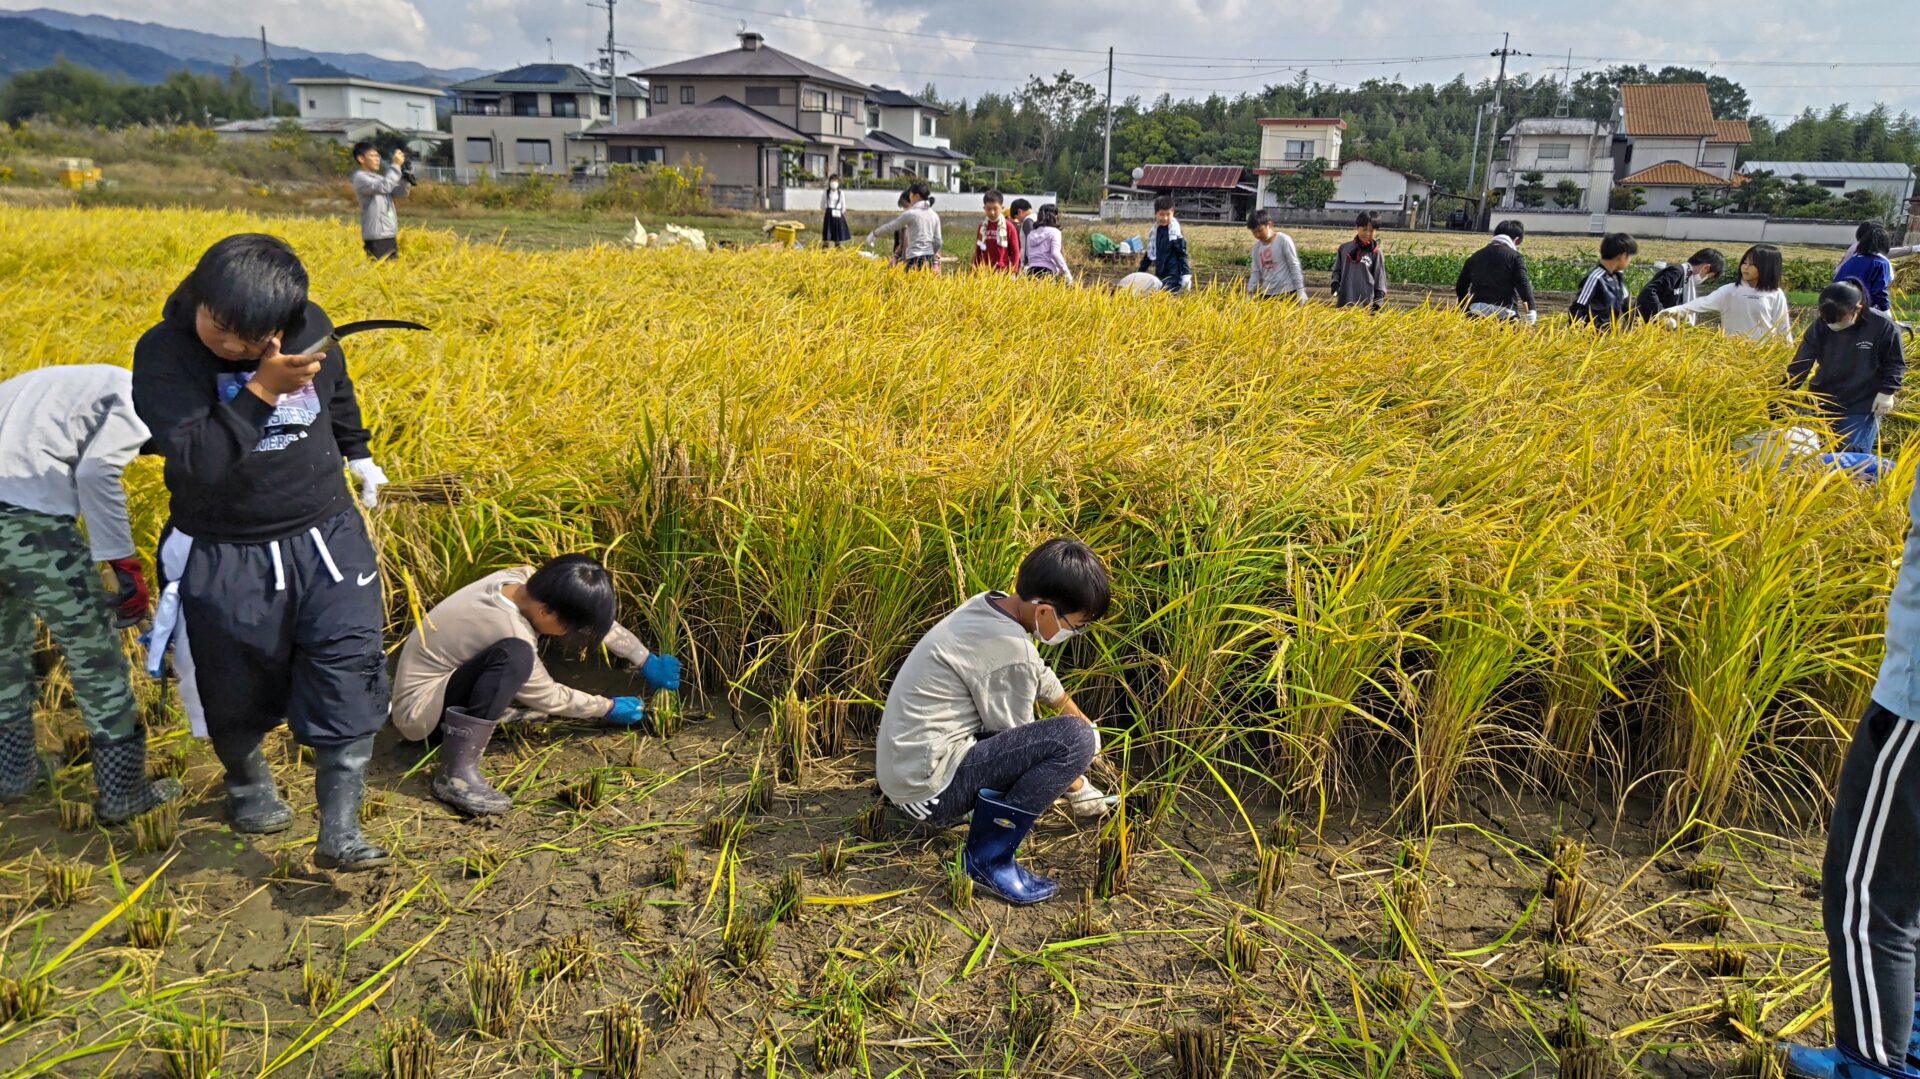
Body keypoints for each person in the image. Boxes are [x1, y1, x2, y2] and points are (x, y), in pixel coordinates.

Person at [132, 234, 394, 872]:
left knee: (349, 658)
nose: (233, 346)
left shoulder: (311, 328)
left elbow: (334, 391)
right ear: (200, 297)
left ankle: (340, 829)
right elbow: (196, 463)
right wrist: (262, 388)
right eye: (221, 329)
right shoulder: (164, 354)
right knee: (233, 674)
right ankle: (247, 781)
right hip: (225, 547)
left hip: (325, 533)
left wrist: (357, 452)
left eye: (253, 339)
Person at [1784, 400, 1920, 1079]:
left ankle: (1871, 1063)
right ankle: (1911, 1034)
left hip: (1916, 707)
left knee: (1867, 890)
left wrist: (1827, 462)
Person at [876, 538, 1112, 905]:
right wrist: (1079, 784)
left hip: (906, 770)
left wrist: (1076, 712)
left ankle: (985, 842)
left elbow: (1038, 674)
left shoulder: (992, 604)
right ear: (1046, 612)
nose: (1076, 633)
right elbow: (1019, 740)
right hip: (928, 791)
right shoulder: (1009, 651)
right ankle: (987, 860)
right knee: (1074, 740)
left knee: (1078, 730)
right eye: (1076, 625)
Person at [0, 366, 183, 823]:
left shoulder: (45, 386)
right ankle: (123, 793)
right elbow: (99, 470)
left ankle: (12, 774)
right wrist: (123, 563)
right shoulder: (138, 392)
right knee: (95, 658)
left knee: (4, 650)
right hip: (30, 525)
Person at [389, 555, 682, 815]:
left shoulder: (525, 580)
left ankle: (481, 722)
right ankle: (456, 775)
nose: (570, 632)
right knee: (514, 657)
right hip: (420, 714)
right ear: (545, 613)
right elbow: (548, 696)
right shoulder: (509, 627)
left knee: (515, 655)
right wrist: (606, 707)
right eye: (568, 626)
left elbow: (588, 615)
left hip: (443, 688)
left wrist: (643, 658)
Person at [1786, 279, 1906, 456]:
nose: (1831, 325)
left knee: (1850, 459)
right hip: (1822, 400)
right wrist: (1783, 392)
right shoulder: (1821, 325)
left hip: (1861, 403)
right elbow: (1801, 363)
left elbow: (1895, 361)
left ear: (1857, 309)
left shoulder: (1881, 326)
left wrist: (1887, 392)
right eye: (1827, 320)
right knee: (1817, 456)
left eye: (1837, 320)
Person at [1660, 244, 1793, 342]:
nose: (1745, 267)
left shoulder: (1775, 294)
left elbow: (1783, 328)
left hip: (1763, 356)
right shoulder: (1730, 290)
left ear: (1767, 268)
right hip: (1731, 353)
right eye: (1744, 262)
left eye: (1752, 264)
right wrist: (1673, 310)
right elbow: (1701, 303)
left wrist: (1787, 356)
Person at [1455, 220, 1537, 323]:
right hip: (1505, 313)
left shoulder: (1475, 256)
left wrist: (1466, 309)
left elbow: (1460, 286)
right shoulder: (1515, 257)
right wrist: (1531, 309)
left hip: (1476, 311)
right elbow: (1522, 283)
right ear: (1516, 240)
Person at [350, 140, 411, 262]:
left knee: (391, 274)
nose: (377, 159)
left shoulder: (378, 178)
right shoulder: (360, 178)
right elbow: (384, 187)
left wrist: (406, 177)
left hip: (388, 233)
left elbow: (399, 193)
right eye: (372, 156)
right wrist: (395, 166)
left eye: (378, 156)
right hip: (377, 236)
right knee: (381, 274)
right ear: (361, 159)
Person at [864, 182, 941, 272]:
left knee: (910, 284)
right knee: (927, 284)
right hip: (928, 260)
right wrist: (932, 256)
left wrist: (874, 234)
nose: (910, 197)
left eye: (911, 195)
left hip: (914, 259)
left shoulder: (911, 214)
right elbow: (938, 242)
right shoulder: (934, 215)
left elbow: (890, 226)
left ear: (916, 196)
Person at [1569, 233, 1638, 330]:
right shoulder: (1595, 278)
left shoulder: (1617, 280)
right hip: (1591, 340)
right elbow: (1577, 308)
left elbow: (1629, 308)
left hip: (1607, 339)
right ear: (1622, 255)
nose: (1630, 260)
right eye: (1630, 256)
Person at [1636, 248, 1725, 323]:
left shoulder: (1687, 279)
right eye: (1708, 277)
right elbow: (1648, 292)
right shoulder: (1676, 273)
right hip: (1647, 325)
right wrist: (1662, 315)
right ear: (1706, 268)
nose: (1704, 279)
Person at [1245, 209, 1308, 303]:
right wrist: (1249, 292)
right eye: (1254, 232)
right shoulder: (1257, 248)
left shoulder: (1283, 240)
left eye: (1260, 231)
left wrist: (1300, 290)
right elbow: (1255, 272)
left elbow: (1294, 265)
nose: (1257, 235)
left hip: (1287, 292)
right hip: (1267, 294)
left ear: (1269, 225)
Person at [1331, 211, 1387, 310]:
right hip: (1344, 302)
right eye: (1364, 229)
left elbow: (1380, 280)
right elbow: (1337, 271)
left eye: (1372, 230)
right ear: (1357, 227)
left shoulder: (1376, 253)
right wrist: (1335, 284)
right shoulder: (1344, 249)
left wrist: (1377, 302)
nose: (1367, 233)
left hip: (1365, 306)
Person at [1836, 223, 1897, 313]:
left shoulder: (1853, 258)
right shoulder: (1881, 262)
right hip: (1859, 309)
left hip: (1837, 305)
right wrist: (1887, 314)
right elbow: (1880, 292)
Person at [1138, 196, 1192, 294]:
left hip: (1173, 274)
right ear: (1155, 214)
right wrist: (1140, 272)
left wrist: (1186, 274)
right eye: (1161, 214)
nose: (1165, 218)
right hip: (1160, 273)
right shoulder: (1154, 231)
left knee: (1160, 295)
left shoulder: (1175, 233)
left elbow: (1182, 254)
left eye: (1168, 214)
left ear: (1173, 213)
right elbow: (1149, 254)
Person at [973, 189, 1022, 274]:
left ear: (1002, 208)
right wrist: (974, 269)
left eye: (995, 209)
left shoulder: (1009, 226)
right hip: (984, 271)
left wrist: (1013, 271)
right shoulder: (982, 227)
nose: (992, 212)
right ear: (984, 208)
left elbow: (1015, 252)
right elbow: (978, 251)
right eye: (988, 209)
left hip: (1003, 271)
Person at [1023, 204, 1073, 283]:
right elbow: (1055, 253)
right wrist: (1067, 273)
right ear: (1054, 216)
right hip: (1047, 272)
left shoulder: (1031, 233)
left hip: (1031, 272)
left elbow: (1027, 254)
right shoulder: (1055, 232)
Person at [819, 176, 851, 248]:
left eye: (835, 181)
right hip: (829, 213)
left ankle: (837, 247)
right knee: (827, 232)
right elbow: (822, 205)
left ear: (838, 183)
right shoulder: (826, 192)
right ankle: (825, 247)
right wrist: (828, 211)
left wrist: (840, 212)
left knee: (837, 233)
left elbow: (844, 205)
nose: (833, 183)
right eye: (832, 181)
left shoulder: (841, 193)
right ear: (829, 182)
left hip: (838, 214)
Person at [1008, 198, 1034, 267]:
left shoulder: (1028, 222)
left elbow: (1031, 243)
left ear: (1020, 212)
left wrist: (1026, 263)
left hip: (1029, 264)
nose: (1018, 221)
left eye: (1016, 218)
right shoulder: (1036, 218)